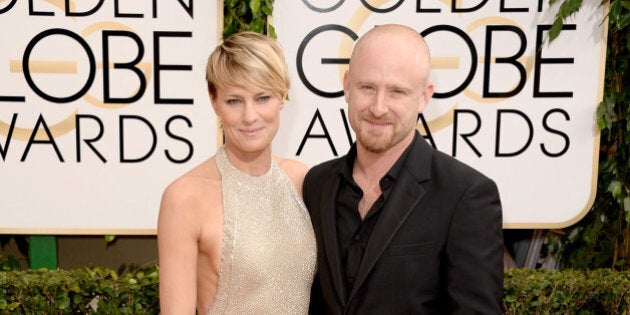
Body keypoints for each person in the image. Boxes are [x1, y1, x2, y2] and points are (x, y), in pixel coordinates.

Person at [303, 24, 504, 314]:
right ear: (347, 85)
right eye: (367, 87)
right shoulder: (316, 184)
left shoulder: (465, 195)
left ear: (424, 97)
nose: (379, 107)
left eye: (397, 92)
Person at [157, 31, 317, 314]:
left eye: (262, 97)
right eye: (234, 101)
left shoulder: (301, 179)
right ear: (214, 100)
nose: (250, 116)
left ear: (282, 95)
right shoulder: (184, 197)